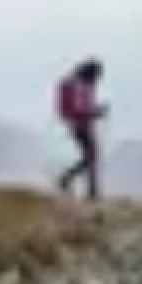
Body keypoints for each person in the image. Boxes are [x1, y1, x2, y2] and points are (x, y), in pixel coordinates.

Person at [52, 57, 108, 201]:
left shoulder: (79, 84)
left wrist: (95, 112)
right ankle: (70, 181)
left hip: (81, 124)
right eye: (97, 75)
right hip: (80, 124)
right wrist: (96, 113)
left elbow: (79, 108)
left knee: (91, 156)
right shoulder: (78, 85)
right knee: (91, 156)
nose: (97, 79)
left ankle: (88, 188)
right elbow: (79, 109)